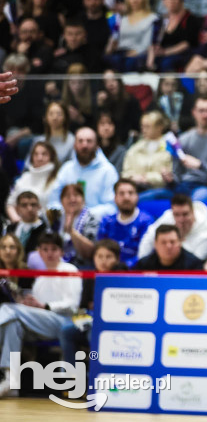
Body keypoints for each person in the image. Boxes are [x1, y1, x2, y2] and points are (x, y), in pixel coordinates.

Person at [0, 232, 82, 397]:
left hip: (65, 323)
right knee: (13, 323)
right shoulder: (39, 279)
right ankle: (11, 380)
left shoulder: (70, 269)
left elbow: (72, 305)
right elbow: (37, 310)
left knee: (9, 309)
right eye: (45, 249)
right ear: (39, 252)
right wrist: (30, 305)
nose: (49, 253)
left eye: (54, 249)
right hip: (41, 324)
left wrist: (44, 306)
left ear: (61, 252)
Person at [49, 127, 119, 215]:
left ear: (97, 145)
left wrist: (83, 215)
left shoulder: (108, 171)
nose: (84, 145)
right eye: (80, 141)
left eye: (89, 141)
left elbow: (112, 207)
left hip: (97, 225)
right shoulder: (66, 169)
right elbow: (53, 202)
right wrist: (64, 214)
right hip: (67, 221)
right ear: (74, 145)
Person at [136, 193, 207, 261]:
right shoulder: (168, 216)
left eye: (185, 214)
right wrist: (142, 264)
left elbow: (196, 261)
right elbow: (149, 238)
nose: (181, 219)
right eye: (176, 215)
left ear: (193, 212)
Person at [95, 179, 152, 267]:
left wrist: (124, 266)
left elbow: (146, 253)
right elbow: (100, 250)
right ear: (115, 198)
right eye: (121, 193)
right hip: (109, 271)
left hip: (136, 273)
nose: (126, 197)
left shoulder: (146, 221)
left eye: (130, 193)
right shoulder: (107, 221)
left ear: (137, 196)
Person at [134, 224, 205, 271]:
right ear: (155, 244)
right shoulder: (144, 265)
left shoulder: (194, 265)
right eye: (163, 242)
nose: (168, 246)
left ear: (180, 243)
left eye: (172, 242)